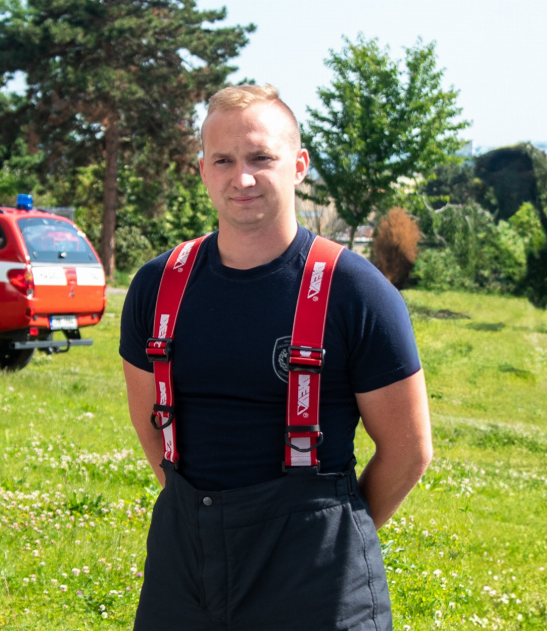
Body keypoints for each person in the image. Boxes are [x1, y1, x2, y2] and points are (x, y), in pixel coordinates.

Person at [120, 85, 432, 630]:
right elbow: (149, 420)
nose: (242, 178)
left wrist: (326, 531)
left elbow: (408, 450)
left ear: (298, 165)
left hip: (316, 577)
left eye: (261, 157)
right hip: (182, 563)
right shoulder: (157, 286)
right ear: (202, 171)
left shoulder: (356, 291)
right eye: (224, 160)